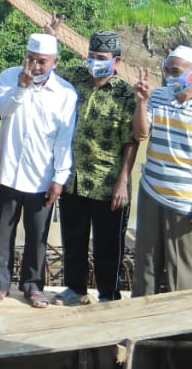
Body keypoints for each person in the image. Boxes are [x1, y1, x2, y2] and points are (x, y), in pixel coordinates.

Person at [132, 45, 192, 297]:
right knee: (146, 262)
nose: (169, 77)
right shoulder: (157, 97)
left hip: (185, 202)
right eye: (166, 71)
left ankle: (176, 327)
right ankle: (141, 321)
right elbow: (141, 133)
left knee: (180, 269)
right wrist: (142, 103)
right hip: (151, 193)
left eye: (175, 72)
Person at [49, 28, 138, 305]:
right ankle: (75, 289)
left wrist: (123, 181)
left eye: (100, 57)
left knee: (108, 245)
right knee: (73, 238)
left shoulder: (125, 95)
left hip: (108, 182)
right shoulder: (75, 78)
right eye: (90, 56)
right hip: (74, 177)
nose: (93, 62)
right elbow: (47, 73)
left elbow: (132, 141)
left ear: (116, 62)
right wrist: (52, 39)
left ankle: (108, 295)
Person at [0, 33, 78, 308]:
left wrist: (60, 177)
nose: (35, 66)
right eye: (30, 59)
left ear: (55, 62)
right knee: (2, 232)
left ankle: (32, 285)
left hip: (42, 176)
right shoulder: (9, 76)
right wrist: (21, 88)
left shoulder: (66, 93)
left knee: (37, 236)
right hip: (9, 172)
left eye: (42, 61)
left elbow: (64, 139)